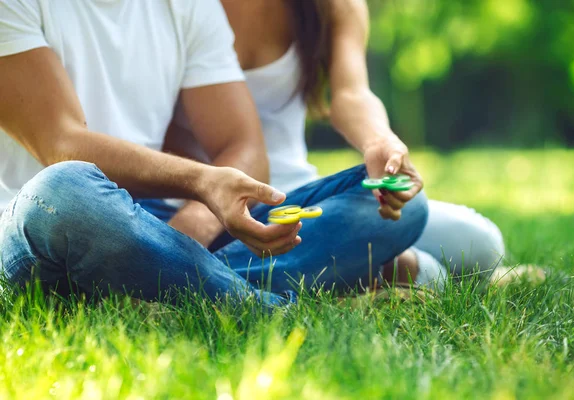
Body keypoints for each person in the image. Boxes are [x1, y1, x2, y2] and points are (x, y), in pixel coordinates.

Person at [0, 0, 428, 306]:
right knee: (67, 188)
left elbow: (242, 145)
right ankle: (265, 306)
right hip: (50, 216)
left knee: (397, 203)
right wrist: (202, 182)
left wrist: (195, 222)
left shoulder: (189, 6)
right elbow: (61, 143)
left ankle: (156, 283)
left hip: (153, 222)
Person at [164, 0, 506, 292]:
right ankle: (367, 271)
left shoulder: (331, 6)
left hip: (300, 197)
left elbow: (351, 93)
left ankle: (355, 269)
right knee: (431, 273)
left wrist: (380, 140)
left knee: (480, 243)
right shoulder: (172, 10)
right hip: (203, 204)